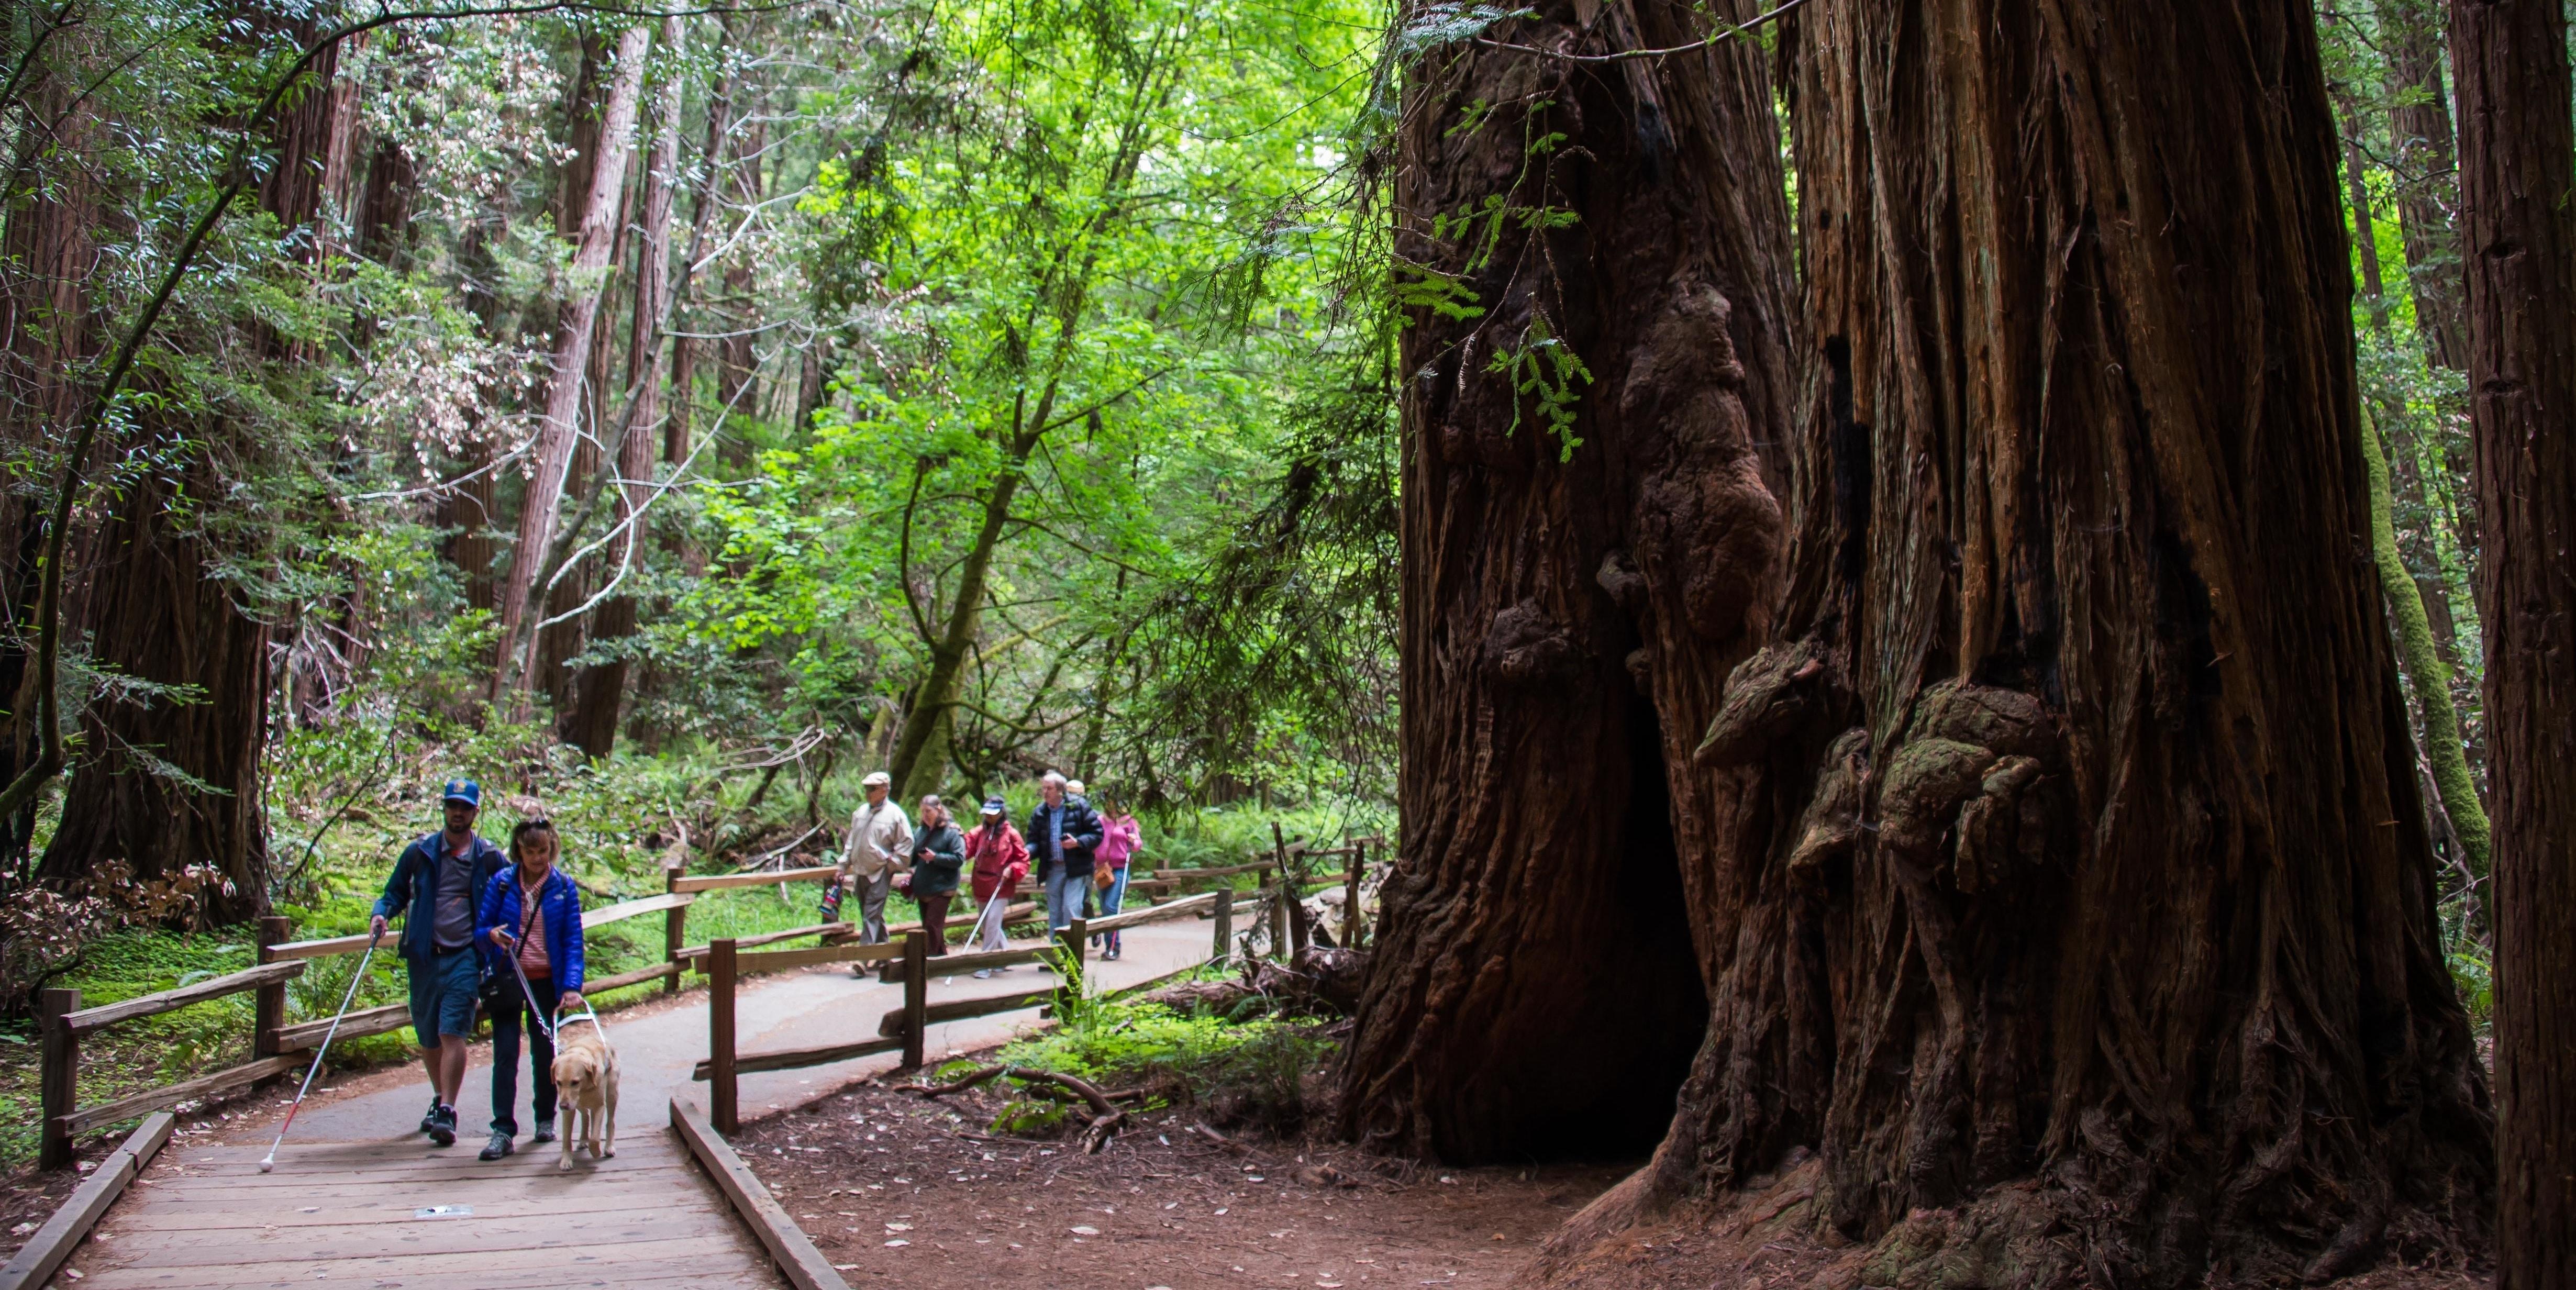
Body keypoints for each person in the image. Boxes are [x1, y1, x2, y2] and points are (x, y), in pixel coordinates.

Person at [371, 780, 509, 1147]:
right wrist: (381, 914)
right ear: (444, 809)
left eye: (465, 807)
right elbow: (394, 893)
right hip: (424, 956)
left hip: (466, 954)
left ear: (476, 812)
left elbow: (511, 894)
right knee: (428, 1036)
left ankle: (448, 1108)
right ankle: (439, 1098)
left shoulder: (489, 857)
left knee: (453, 1032)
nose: (458, 813)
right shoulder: (419, 853)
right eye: (452, 806)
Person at [474, 817, 587, 1161]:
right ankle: (503, 1129)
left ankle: (545, 1119)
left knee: (545, 1054)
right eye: (531, 851)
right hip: (510, 978)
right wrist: (492, 935)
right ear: (518, 850)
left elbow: (572, 940)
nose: (539, 858)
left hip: (546, 982)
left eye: (544, 850)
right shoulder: (502, 883)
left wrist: (571, 986)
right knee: (506, 1053)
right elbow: (480, 931)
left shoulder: (563, 887)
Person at [1025, 771, 1102, 942]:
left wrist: (1078, 842)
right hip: (1053, 868)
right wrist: (1027, 852)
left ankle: (1072, 956)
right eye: (1043, 788)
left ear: (1060, 790)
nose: (1045, 792)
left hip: (1077, 868)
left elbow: (1097, 834)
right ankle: (1057, 955)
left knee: (1071, 908)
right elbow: (1034, 841)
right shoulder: (1040, 812)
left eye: (1049, 789)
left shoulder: (1078, 806)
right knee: (1055, 911)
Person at [838, 771, 913, 943]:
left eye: (872, 788)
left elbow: (906, 842)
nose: (868, 793)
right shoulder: (861, 812)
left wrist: (893, 865)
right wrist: (843, 864)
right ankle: (884, 957)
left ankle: (865, 958)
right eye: (866, 788)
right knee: (870, 913)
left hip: (880, 872)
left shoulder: (895, 815)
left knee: (871, 914)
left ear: (884, 790)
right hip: (860, 870)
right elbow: (852, 840)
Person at [963, 799, 1029, 975]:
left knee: (992, 922)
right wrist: (957, 837)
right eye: (987, 814)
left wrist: (1012, 869)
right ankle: (1005, 956)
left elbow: (1023, 860)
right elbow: (966, 849)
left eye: (992, 814)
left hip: (1001, 885)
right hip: (981, 883)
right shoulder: (978, 833)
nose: (989, 817)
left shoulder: (1012, 834)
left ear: (1001, 813)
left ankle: (985, 963)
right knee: (987, 923)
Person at [905, 796, 966, 956]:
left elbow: (959, 859)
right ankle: (941, 959)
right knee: (929, 926)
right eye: (923, 812)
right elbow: (914, 857)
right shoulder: (921, 831)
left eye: (928, 811)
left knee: (932, 927)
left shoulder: (951, 832)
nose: (925, 815)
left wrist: (936, 858)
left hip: (942, 887)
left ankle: (927, 963)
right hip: (923, 886)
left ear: (938, 810)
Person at [1091, 793, 1143, 960]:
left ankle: (1114, 947)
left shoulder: (1128, 821)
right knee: (1105, 907)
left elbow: (1137, 845)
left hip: (1120, 868)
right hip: (1102, 869)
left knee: (1112, 906)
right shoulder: (1099, 821)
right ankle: (1110, 945)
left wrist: (1133, 840)